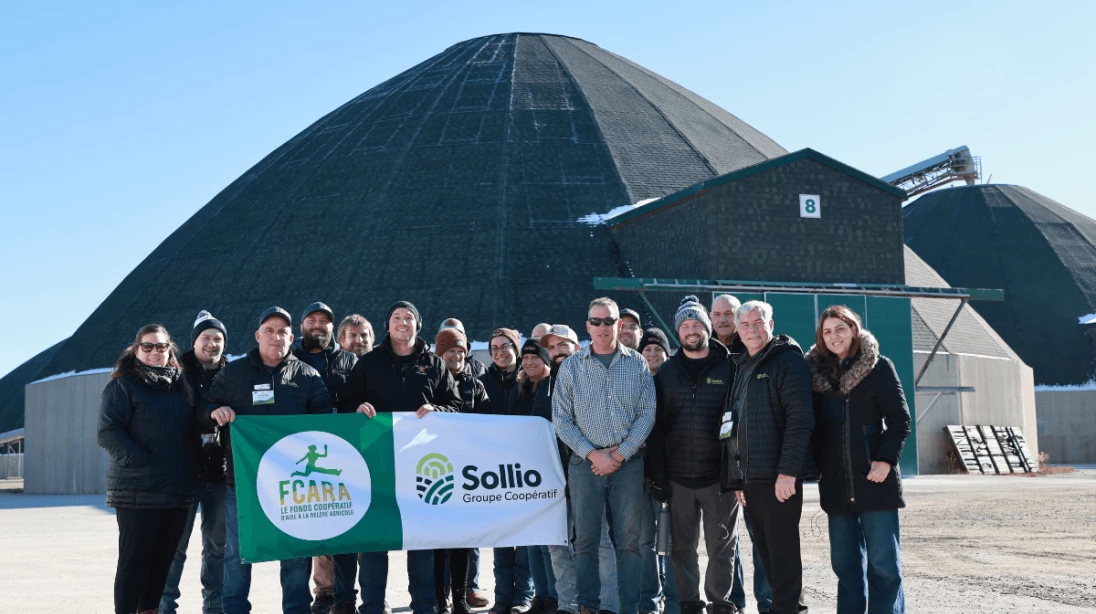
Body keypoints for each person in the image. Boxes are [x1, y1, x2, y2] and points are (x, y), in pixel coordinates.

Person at [199, 306, 334, 614]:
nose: (276, 337)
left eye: (283, 332)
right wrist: (212, 412)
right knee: (238, 555)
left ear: (292, 337)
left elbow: (328, 422)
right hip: (243, 483)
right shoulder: (234, 373)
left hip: (294, 487)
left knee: (296, 554)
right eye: (270, 331)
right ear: (258, 336)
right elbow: (205, 405)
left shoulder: (308, 376)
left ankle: (297, 609)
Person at [349, 301, 462, 614]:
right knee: (373, 541)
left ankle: (424, 604)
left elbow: (456, 406)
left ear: (417, 326)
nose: (402, 322)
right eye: (396, 318)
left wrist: (438, 410)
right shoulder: (368, 364)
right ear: (387, 326)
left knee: (421, 542)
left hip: (422, 466)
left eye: (408, 318)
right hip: (376, 466)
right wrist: (357, 410)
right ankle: (372, 605)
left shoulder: (435, 365)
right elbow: (346, 403)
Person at [805, 306, 910, 614]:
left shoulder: (879, 368)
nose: (834, 336)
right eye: (827, 331)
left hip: (874, 479)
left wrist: (885, 460)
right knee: (845, 566)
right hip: (835, 485)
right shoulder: (816, 377)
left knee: (883, 565)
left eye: (840, 328)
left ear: (854, 329)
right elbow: (810, 427)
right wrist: (816, 467)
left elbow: (900, 419)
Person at [554, 298, 656, 614]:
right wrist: (592, 454)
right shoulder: (572, 366)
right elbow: (560, 417)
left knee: (629, 541)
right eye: (596, 321)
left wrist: (620, 454)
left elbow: (647, 412)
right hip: (585, 465)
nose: (602, 327)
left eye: (608, 321)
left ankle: (628, 607)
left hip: (628, 464)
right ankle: (588, 606)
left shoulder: (636, 363)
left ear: (619, 325)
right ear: (587, 325)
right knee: (584, 541)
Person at [98, 324, 200, 614]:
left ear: (170, 350)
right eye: (148, 346)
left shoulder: (182, 385)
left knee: (162, 560)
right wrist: (142, 462)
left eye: (161, 346)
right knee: (134, 562)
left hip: (177, 489)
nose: (155, 352)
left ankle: (150, 610)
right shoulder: (123, 384)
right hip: (137, 490)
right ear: (136, 349)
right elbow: (108, 431)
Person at [648, 297, 740, 614]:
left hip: (718, 478)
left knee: (721, 546)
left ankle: (719, 602)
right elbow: (657, 427)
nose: (691, 330)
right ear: (678, 331)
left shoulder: (729, 367)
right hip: (678, 480)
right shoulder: (667, 373)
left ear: (707, 327)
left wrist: (735, 471)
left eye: (697, 324)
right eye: (685, 325)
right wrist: (658, 475)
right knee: (682, 546)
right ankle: (689, 602)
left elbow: (737, 422)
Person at [725, 301, 816, 614]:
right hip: (750, 480)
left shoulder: (787, 361)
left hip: (779, 478)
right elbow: (733, 426)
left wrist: (788, 472)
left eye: (758, 322)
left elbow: (801, 418)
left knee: (783, 554)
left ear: (771, 324)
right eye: (745, 325)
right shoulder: (741, 366)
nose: (752, 329)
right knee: (766, 554)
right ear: (737, 330)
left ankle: (789, 610)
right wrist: (736, 477)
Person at [291, 302, 361, 614]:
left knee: (344, 524)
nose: (318, 325)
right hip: (300, 450)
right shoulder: (287, 360)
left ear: (333, 327)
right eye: (312, 320)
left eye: (324, 321)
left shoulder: (349, 360)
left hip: (343, 452)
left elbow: (363, 396)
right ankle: (323, 592)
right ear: (302, 325)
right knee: (308, 524)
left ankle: (346, 596)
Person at [159, 312, 228, 614]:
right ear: (194, 340)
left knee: (218, 547)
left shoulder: (234, 373)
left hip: (221, 473)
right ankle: (163, 607)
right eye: (206, 337)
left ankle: (214, 607)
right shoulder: (175, 372)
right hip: (183, 473)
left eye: (217, 339)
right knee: (174, 547)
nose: (211, 344)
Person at [711, 294, 770, 613]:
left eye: (729, 314)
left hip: (752, 459)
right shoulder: (704, 351)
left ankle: (768, 600)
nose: (723, 319)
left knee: (761, 537)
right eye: (717, 313)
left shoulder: (754, 350)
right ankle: (734, 602)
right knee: (725, 540)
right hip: (719, 460)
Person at [437, 317, 488, 606]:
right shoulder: (430, 383)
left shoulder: (474, 385)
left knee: (464, 540)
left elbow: (489, 421)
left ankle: (460, 597)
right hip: (436, 469)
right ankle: (438, 597)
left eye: (460, 351)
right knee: (438, 542)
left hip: (468, 471)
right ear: (439, 355)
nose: (456, 356)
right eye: (449, 352)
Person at [510, 339, 557, 614]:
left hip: (551, 470)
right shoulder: (518, 391)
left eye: (534, 358)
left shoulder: (554, 387)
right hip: (524, 474)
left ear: (545, 360)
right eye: (525, 359)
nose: (529, 364)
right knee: (532, 541)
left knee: (549, 543)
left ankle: (553, 596)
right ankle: (540, 595)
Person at [635, 327, 678, 614]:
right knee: (643, 541)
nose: (652, 354)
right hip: (638, 474)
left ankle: (675, 599)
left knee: (673, 540)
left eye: (657, 350)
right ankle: (649, 598)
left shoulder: (674, 382)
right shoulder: (633, 383)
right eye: (647, 350)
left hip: (673, 473)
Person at [481, 327, 522, 413]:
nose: (500, 352)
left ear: (515, 349)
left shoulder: (530, 381)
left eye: (505, 346)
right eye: (495, 348)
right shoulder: (481, 384)